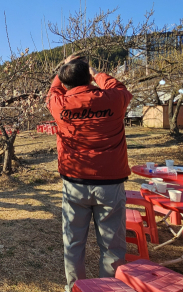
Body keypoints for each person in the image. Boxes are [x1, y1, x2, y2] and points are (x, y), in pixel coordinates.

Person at [46, 55, 133, 291]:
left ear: (65, 82)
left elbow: (52, 91)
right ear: (89, 78)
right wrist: (97, 73)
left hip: (75, 183)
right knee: (112, 245)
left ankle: (76, 287)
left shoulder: (60, 104)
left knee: (73, 242)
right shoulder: (113, 100)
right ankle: (110, 288)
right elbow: (120, 87)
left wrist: (62, 68)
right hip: (110, 184)